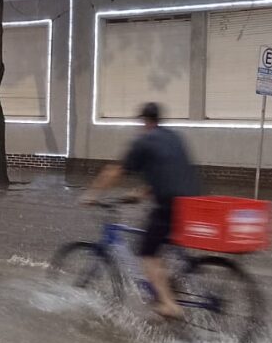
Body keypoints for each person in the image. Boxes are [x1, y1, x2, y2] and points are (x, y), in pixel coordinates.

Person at [83, 102, 199, 318]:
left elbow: (115, 171)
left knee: (147, 252)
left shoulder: (144, 141)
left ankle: (168, 304)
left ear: (144, 121)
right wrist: (141, 193)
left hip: (169, 203)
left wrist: (92, 195)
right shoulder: (174, 137)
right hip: (193, 201)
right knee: (160, 244)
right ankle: (168, 288)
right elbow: (169, 171)